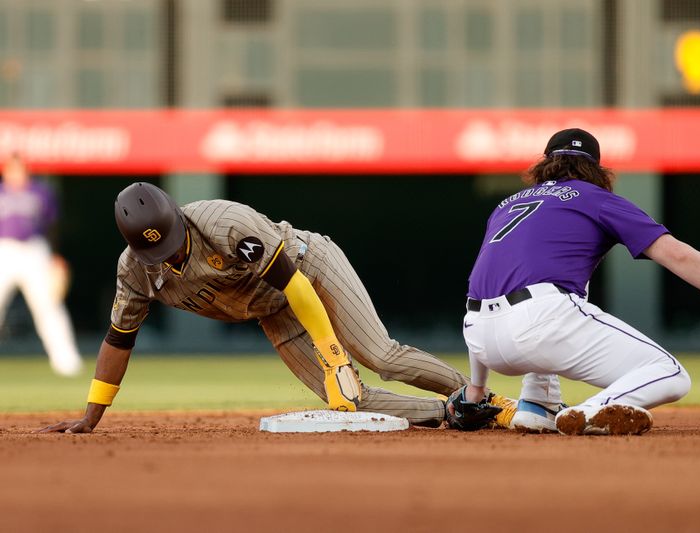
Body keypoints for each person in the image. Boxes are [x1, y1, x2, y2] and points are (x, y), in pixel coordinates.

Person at [40, 182, 522, 433]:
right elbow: (118, 340)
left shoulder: (225, 223)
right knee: (346, 400)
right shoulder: (135, 271)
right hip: (271, 312)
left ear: (178, 217)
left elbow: (290, 280)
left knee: (379, 357)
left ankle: (487, 399)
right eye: (154, 249)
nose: (168, 253)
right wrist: (92, 413)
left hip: (308, 270)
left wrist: (333, 354)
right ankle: (456, 411)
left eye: (170, 240)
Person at [449, 128, 700, 436]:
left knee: (557, 285)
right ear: (596, 169)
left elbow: (484, 281)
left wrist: (477, 389)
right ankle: (588, 411)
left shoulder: (506, 205)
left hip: (479, 335)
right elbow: (678, 256)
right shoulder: (595, 199)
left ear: (545, 166)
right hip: (540, 323)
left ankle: (537, 405)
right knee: (669, 374)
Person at [0, 153, 83, 376]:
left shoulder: (41, 192)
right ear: (6, 171)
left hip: (34, 250)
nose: (16, 173)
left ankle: (67, 362)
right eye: (12, 169)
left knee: (48, 306)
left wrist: (55, 255)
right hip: (4, 250)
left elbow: (52, 226)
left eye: (20, 169)